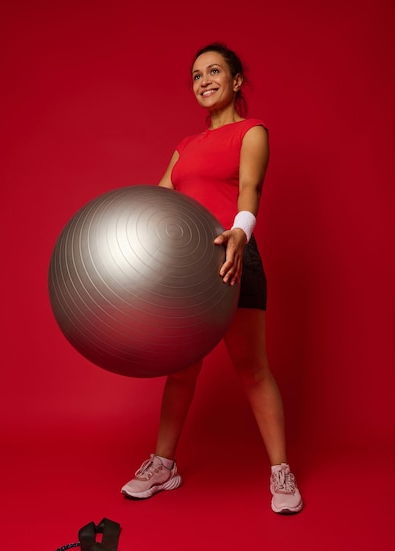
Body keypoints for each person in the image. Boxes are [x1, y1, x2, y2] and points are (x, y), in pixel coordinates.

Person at [121, 42, 303, 514]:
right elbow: (160, 202)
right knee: (180, 371)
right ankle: (164, 465)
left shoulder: (251, 132)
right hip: (187, 272)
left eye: (215, 71)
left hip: (233, 258)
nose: (204, 81)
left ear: (236, 81)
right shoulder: (184, 146)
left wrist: (241, 235)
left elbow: (249, 189)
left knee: (253, 370)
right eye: (197, 75)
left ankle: (280, 471)